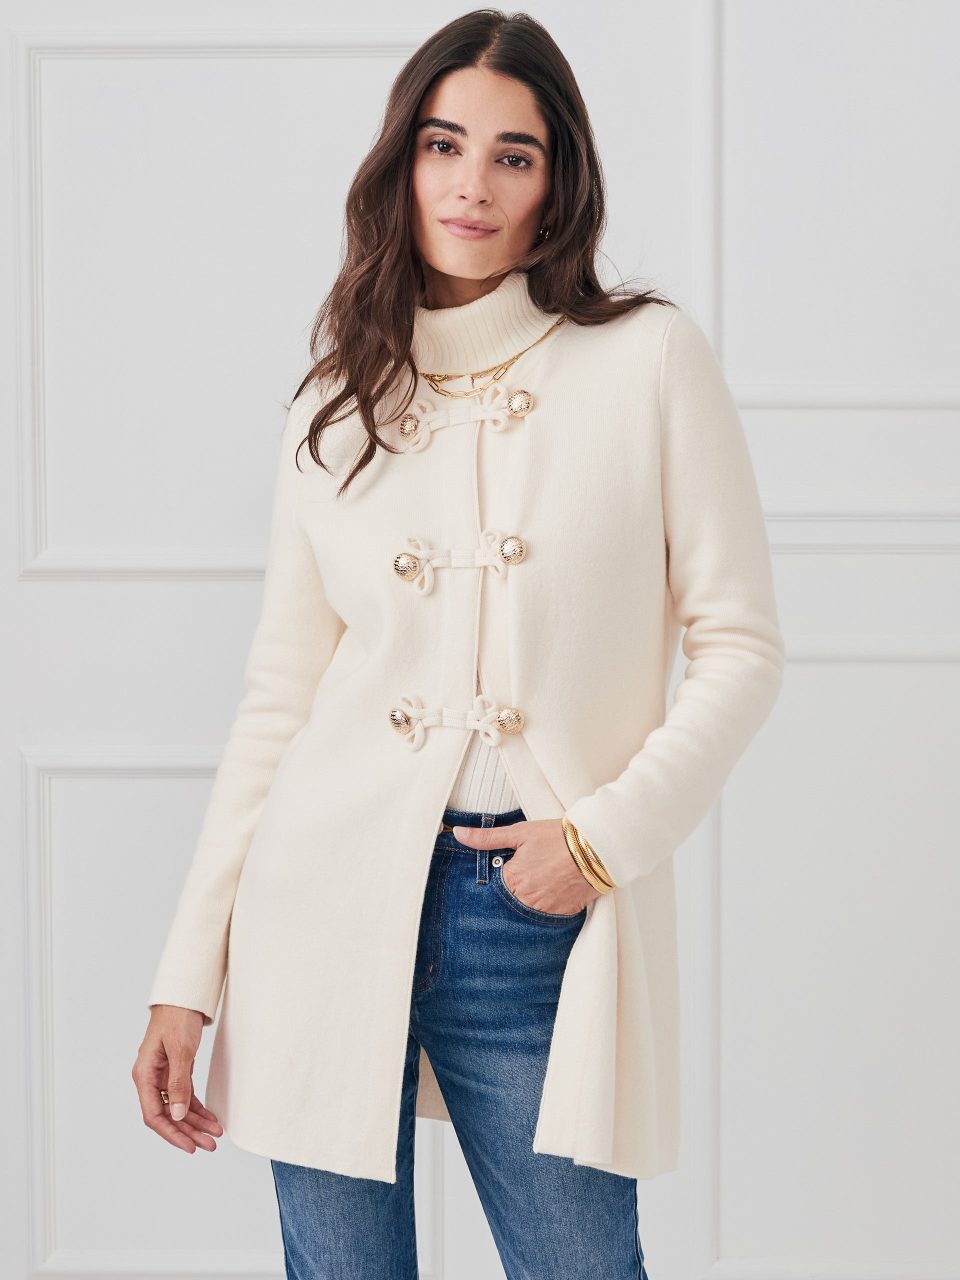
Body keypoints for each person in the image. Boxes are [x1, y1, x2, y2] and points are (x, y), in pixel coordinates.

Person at [132, 10, 785, 1278]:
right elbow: (278, 700)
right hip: (320, 900)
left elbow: (742, 645)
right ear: (403, 162)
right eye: (444, 145)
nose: (472, 184)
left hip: (530, 906)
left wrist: (599, 840)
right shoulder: (337, 398)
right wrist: (188, 972)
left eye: (512, 154)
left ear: (558, 183)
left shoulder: (649, 358)